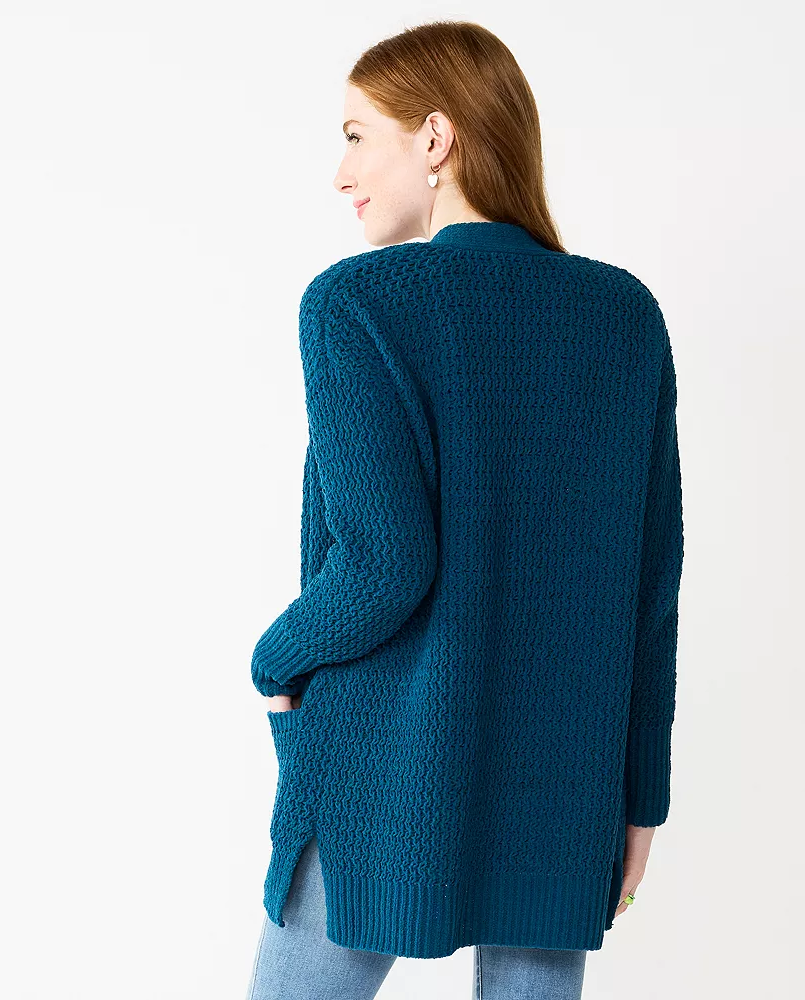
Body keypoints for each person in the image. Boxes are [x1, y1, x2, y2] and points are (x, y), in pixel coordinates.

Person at [246, 19, 685, 1000]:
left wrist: (274, 657)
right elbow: (651, 590)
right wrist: (639, 797)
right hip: (564, 777)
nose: (340, 172)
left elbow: (384, 565)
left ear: (435, 137)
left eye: (357, 135)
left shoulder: (357, 303)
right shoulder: (624, 316)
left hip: (381, 763)